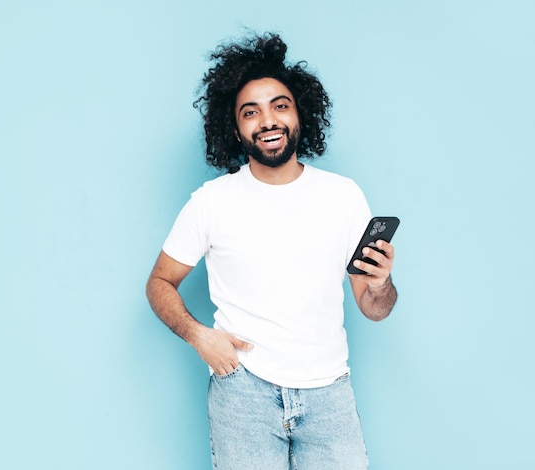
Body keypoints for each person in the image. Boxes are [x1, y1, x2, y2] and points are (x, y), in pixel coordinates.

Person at [146, 32, 397, 470]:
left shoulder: (343, 196)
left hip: (329, 394)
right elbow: (159, 282)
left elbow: (374, 308)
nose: (267, 120)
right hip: (243, 393)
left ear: (300, 113)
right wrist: (198, 335)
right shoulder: (211, 201)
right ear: (236, 127)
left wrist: (380, 283)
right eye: (251, 111)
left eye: (280, 105)